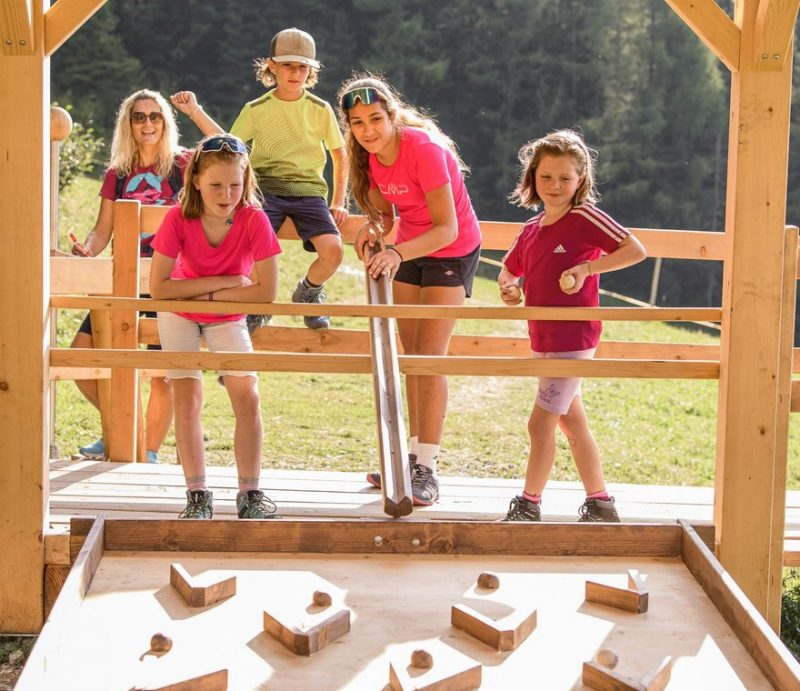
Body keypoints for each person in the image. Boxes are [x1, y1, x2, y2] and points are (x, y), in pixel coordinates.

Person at [338, 75, 482, 506]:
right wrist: (372, 231)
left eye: (376, 119)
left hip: (451, 249)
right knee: (408, 357)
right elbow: (384, 216)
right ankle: (407, 457)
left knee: (428, 358)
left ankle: (428, 468)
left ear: (392, 115)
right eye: (358, 122)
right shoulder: (368, 157)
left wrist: (397, 251)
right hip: (411, 247)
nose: (368, 130)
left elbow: (447, 228)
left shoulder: (424, 149)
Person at [497, 129, 646, 522]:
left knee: (540, 422)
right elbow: (509, 270)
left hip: (574, 337)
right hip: (541, 336)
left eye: (565, 177)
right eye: (546, 177)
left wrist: (587, 268)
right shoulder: (531, 229)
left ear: (581, 179)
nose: (555, 185)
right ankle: (600, 502)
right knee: (569, 420)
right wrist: (510, 288)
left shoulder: (584, 217)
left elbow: (635, 249)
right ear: (532, 177)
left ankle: (529, 504)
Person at [70, 88, 221, 462]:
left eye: (155, 116)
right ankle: (122, 431)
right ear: (129, 124)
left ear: (165, 122)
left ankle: (148, 452)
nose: (148, 123)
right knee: (79, 356)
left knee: (162, 373)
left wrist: (195, 111)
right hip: (123, 277)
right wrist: (88, 248)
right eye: (139, 117)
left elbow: (227, 148)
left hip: (168, 278)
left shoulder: (184, 165)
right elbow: (102, 230)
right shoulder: (116, 174)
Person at [149, 134, 281, 519]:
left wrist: (204, 297)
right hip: (178, 312)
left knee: (247, 395)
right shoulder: (178, 217)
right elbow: (159, 289)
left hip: (225, 315)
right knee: (187, 398)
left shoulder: (253, 219)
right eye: (216, 186)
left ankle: (250, 492)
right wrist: (219, 284)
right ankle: (197, 494)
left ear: (247, 182)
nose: (226, 194)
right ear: (195, 182)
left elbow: (267, 291)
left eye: (236, 185)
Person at [230, 27, 348, 330]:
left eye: (302, 67)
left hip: (309, 193)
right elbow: (232, 152)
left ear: (310, 70)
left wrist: (338, 201)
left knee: (333, 250)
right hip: (265, 190)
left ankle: (309, 292)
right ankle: (258, 304)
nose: (295, 73)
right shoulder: (255, 109)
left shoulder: (320, 109)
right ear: (272, 65)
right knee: (252, 247)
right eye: (287, 65)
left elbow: (340, 155)